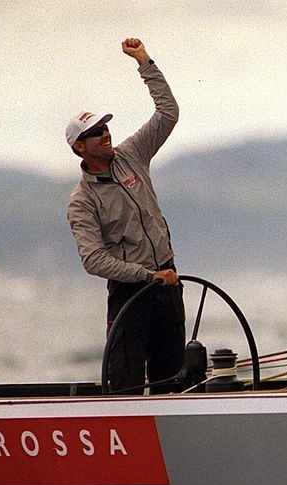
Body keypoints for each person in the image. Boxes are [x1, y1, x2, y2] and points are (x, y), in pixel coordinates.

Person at [66, 38, 183, 395]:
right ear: (79, 148)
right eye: (95, 133)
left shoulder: (132, 154)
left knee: (173, 379)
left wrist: (146, 63)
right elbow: (93, 259)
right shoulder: (82, 200)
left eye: (105, 128)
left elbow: (168, 114)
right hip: (130, 293)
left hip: (168, 283)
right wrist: (147, 275)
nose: (105, 134)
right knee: (126, 385)